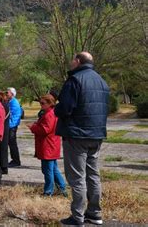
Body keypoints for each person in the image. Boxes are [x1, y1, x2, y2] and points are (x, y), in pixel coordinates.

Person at [55, 52, 109, 226]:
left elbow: (65, 109)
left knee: (77, 177)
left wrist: (56, 108)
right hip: (97, 134)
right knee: (93, 175)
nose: (71, 62)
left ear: (78, 61)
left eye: (73, 60)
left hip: (77, 135)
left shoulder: (75, 80)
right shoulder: (102, 81)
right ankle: (95, 213)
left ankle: (77, 217)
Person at [28, 94, 67, 197]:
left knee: (47, 170)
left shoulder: (49, 114)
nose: (41, 105)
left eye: (43, 103)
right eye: (40, 103)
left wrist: (33, 127)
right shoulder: (50, 113)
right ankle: (62, 188)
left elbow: (45, 129)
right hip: (51, 145)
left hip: (48, 145)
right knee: (53, 169)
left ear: (50, 103)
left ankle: (48, 191)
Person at [7, 87, 22, 167]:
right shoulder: (11, 101)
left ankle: (16, 161)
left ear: (12, 94)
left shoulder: (13, 102)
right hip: (11, 124)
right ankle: (15, 160)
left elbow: (10, 114)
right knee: (11, 143)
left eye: (7, 92)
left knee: (12, 143)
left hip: (12, 125)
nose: (6, 94)